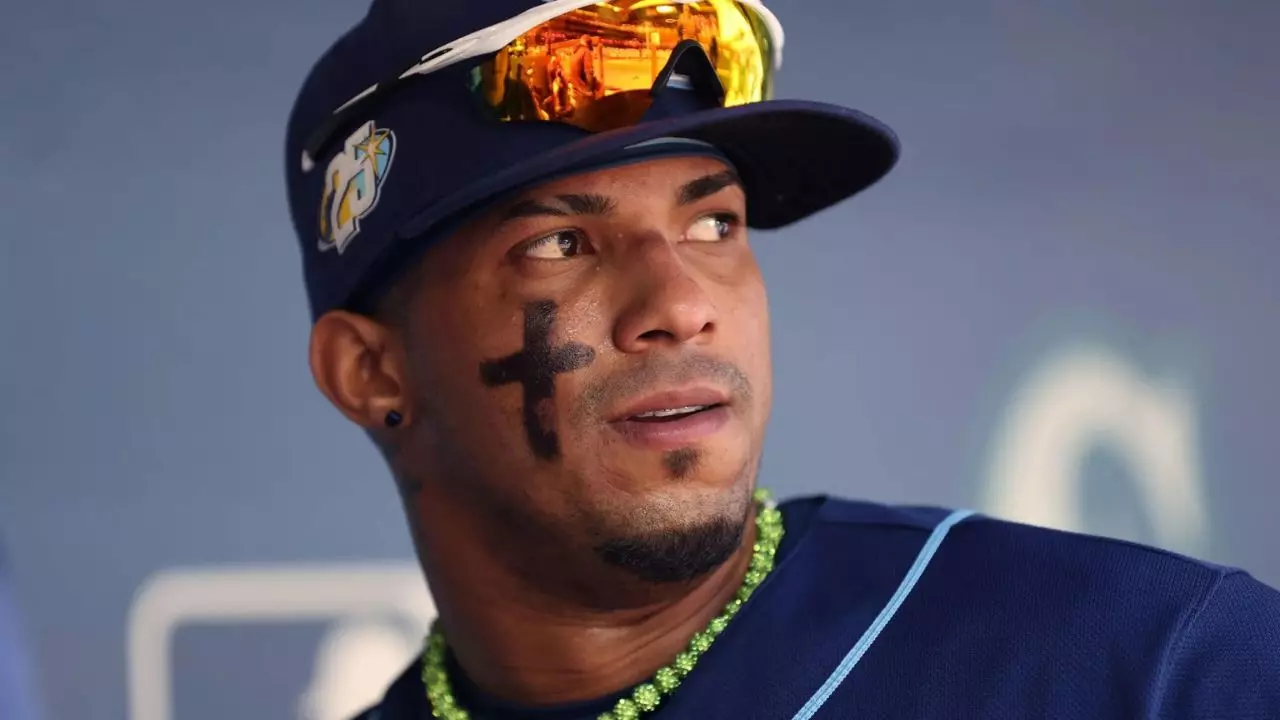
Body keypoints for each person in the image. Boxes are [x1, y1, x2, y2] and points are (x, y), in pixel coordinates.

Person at [284, 0, 1280, 717]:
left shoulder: (1154, 664)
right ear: (372, 373)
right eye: (560, 244)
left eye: (714, 225)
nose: (681, 305)